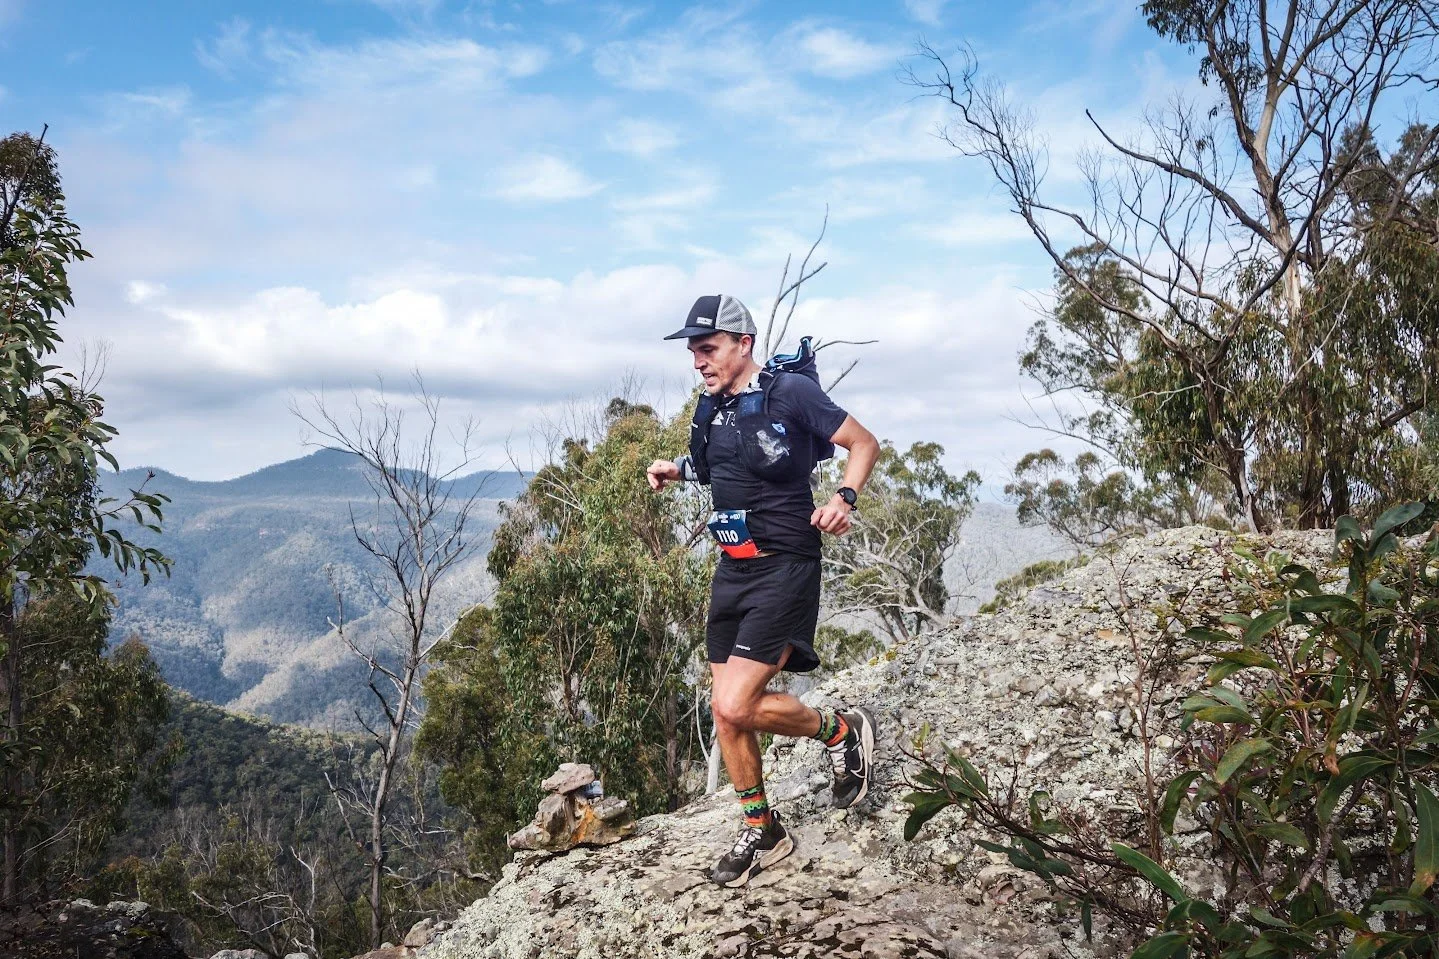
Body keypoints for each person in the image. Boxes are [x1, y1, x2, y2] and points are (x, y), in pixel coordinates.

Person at [646, 293, 882, 887]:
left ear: (742, 343)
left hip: (785, 564)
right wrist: (675, 468)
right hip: (732, 568)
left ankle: (841, 732)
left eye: (709, 349)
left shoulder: (789, 393)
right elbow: (716, 463)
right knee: (726, 712)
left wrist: (842, 498)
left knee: (735, 703)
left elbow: (864, 443)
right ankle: (763, 831)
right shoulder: (711, 407)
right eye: (694, 352)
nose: (699, 361)